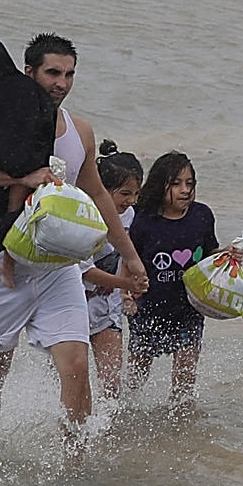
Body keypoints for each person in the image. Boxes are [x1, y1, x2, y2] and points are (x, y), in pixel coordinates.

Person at [0, 34, 147, 436]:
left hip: (59, 267)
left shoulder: (80, 131)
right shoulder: (1, 118)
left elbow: (98, 195)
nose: (61, 83)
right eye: (53, 73)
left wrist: (130, 256)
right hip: (0, 266)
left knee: (76, 365)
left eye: (69, 74)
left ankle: (75, 461)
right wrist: (19, 178)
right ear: (29, 72)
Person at [126, 150, 221, 398]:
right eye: (176, 184)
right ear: (160, 186)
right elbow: (128, 259)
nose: (185, 190)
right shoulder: (143, 220)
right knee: (136, 379)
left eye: (189, 183)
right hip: (147, 310)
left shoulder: (202, 216)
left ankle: (182, 417)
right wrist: (125, 294)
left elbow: (211, 254)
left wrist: (229, 256)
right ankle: (124, 414)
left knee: (185, 382)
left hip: (189, 310)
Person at [80, 144, 147, 398]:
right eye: (125, 193)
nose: (132, 201)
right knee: (73, 382)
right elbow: (84, 272)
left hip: (108, 307)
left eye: (136, 194)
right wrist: (126, 284)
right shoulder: (83, 216)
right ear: (102, 190)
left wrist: (127, 292)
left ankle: (109, 422)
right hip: (73, 305)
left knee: (111, 386)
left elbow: (128, 256)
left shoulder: (130, 215)